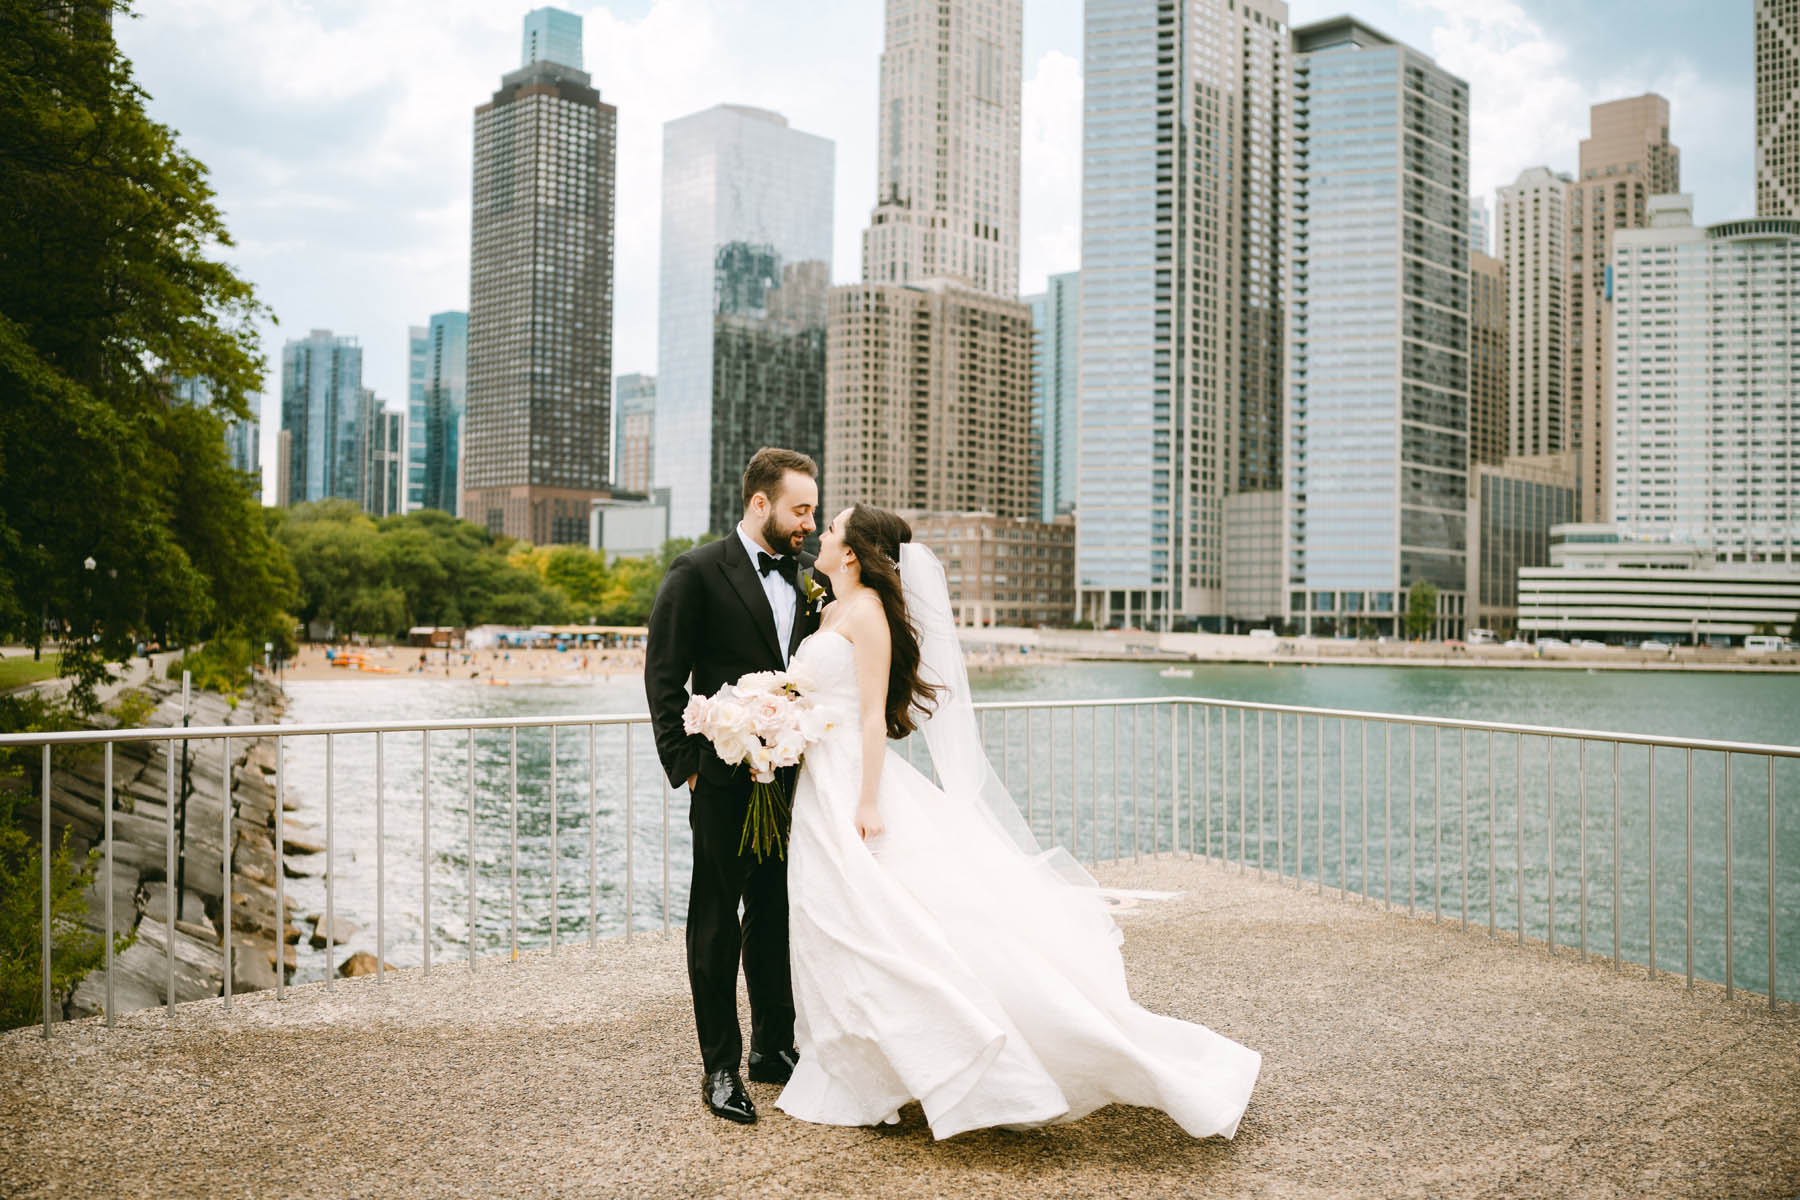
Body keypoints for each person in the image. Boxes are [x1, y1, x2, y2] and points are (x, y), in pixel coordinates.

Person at [774, 504, 1262, 1140]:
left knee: (886, 924)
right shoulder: (829, 607)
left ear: (851, 551)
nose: (823, 532)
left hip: (851, 783)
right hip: (815, 779)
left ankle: (964, 1057)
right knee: (831, 918)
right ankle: (860, 1067)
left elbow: (870, 716)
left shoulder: (866, 613)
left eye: (833, 527)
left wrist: (867, 802)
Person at [644, 447, 829, 1125]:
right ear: (762, 504)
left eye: (813, 510)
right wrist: (688, 762)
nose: (810, 521)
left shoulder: (811, 583)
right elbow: (663, 675)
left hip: (789, 778)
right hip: (720, 777)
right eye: (800, 509)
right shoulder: (696, 572)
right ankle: (720, 1066)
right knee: (718, 921)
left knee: (777, 912)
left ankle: (772, 1049)